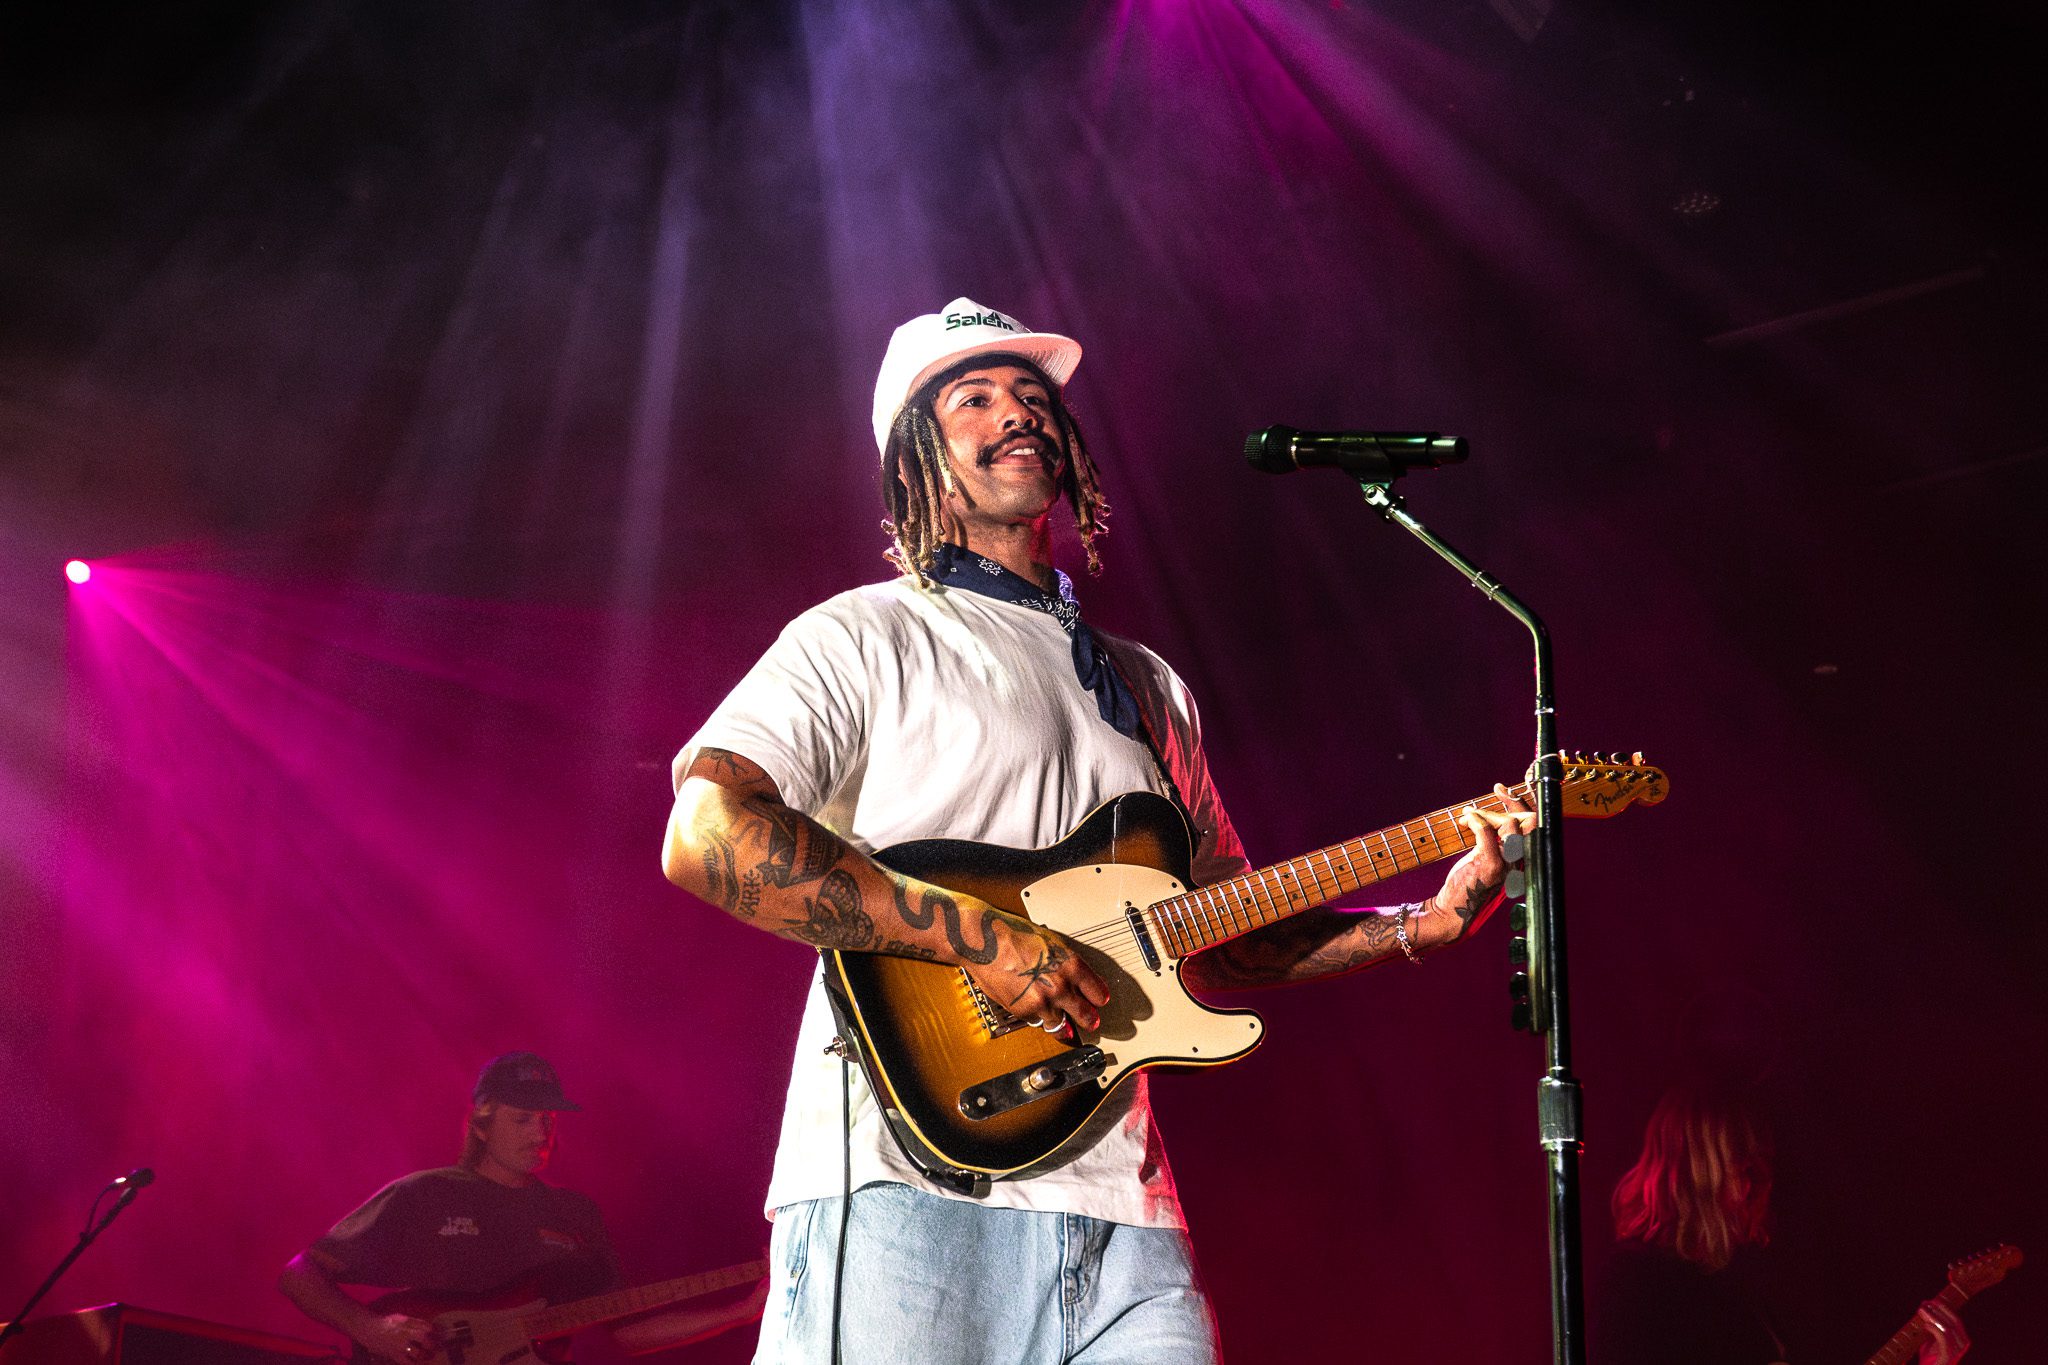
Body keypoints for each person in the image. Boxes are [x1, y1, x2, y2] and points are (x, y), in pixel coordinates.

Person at [661, 297, 1535, 1363]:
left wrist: (1418, 925)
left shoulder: (1148, 683)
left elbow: (1223, 931)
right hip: (906, 1182)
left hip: (1124, 1208)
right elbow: (705, 832)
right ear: (913, 457)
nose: (1017, 412)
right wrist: (984, 939)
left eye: (1033, 396)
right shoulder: (864, 634)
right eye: (974, 397)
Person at [279, 1052, 765, 1363]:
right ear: (482, 1124)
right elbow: (300, 1274)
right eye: (522, 1119)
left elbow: (623, 1330)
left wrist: (741, 1311)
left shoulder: (575, 1213)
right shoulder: (424, 1193)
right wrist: (370, 1328)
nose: (540, 1132)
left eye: (547, 1119)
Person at [1595, 1085, 1971, 1365]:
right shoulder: (1637, 1282)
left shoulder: (1741, 1287)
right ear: (1708, 1176)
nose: (1761, 1187)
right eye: (1750, 1168)